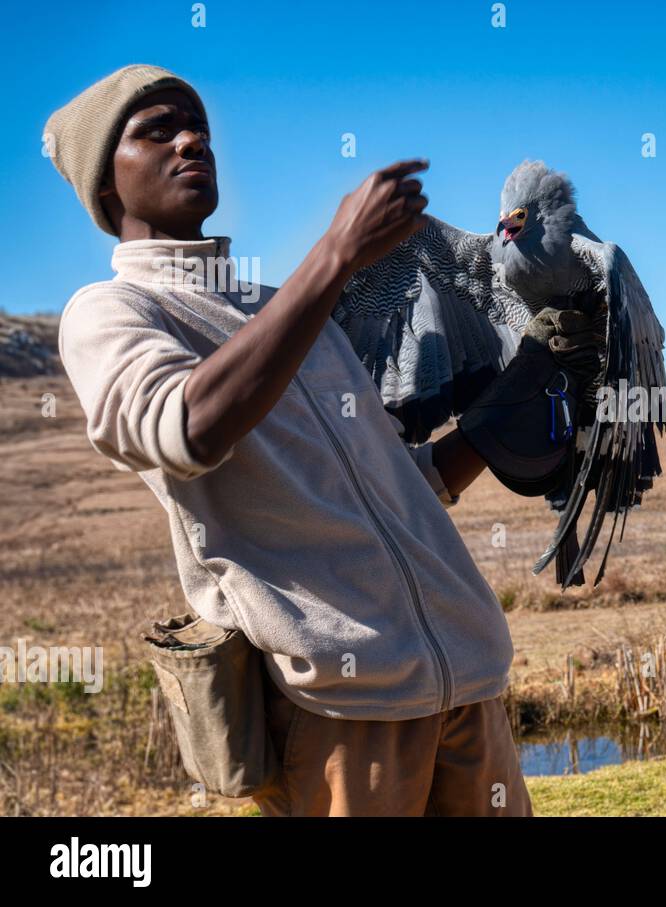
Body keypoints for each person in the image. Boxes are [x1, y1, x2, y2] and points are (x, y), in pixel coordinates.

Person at [45, 64, 593, 816]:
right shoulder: (111, 312)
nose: (191, 138)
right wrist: (335, 258)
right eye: (157, 130)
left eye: (197, 124)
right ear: (106, 185)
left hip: (469, 688)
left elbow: (400, 480)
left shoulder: (284, 311)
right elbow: (186, 427)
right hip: (344, 712)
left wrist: (506, 411)